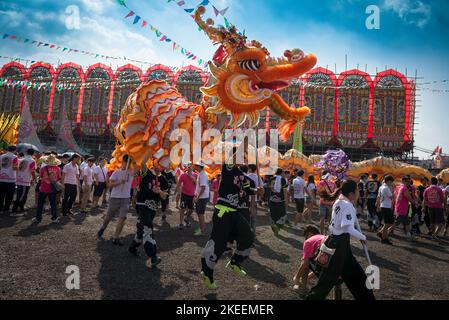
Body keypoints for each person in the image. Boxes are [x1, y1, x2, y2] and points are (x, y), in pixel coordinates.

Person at [306, 180, 375, 300]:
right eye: (358, 190)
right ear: (352, 193)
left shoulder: (339, 200)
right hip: (337, 247)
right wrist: (362, 237)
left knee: (357, 277)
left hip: (338, 243)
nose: (359, 193)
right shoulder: (347, 205)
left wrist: (359, 235)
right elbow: (347, 227)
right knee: (325, 283)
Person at [200, 149, 254, 290]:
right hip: (223, 212)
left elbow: (248, 189)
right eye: (244, 155)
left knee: (248, 235)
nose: (246, 158)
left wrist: (257, 190)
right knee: (219, 245)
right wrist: (245, 142)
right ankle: (207, 272)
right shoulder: (227, 168)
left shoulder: (242, 175)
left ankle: (235, 262)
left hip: (235, 212)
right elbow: (233, 160)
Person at [128, 160, 163, 268]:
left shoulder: (164, 178)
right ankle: (153, 256)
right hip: (142, 204)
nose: (160, 166)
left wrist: (160, 192)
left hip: (152, 208)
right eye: (159, 163)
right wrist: (151, 148)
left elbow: (165, 196)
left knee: (141, 231)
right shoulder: (147, 172)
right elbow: (142, 164)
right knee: (148, 228)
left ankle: (132, 247)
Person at [97, 155, 135, 246]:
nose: (128, 164)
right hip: (115, 197)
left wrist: (134, 158)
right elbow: (109, 185)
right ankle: (103, 227)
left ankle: (116, 237)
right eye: (127, 162)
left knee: (122, 218)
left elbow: (139, 165)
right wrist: (119, 182)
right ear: (123, 162)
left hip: (126, 198)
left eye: (129, 163)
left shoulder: (132, 172)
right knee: (108, 218)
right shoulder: (116, 172)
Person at [293, 225, 324, 294]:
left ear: (310, 234)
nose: (305, 238)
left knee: (306, 262)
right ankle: (305, 281)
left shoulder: (309, 241)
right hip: (337, 267)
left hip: (327, 265)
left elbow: (305, 263)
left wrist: (296, 278)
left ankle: (303, 288)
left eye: (305, 236)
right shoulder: (322, 237)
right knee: (316, 262)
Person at [32, 155, 62, 224]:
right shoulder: (58, 169)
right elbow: (58, 178)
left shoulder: (43, 169)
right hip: (53, 189)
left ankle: (38, 218)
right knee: (53, 204)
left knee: (40, 204)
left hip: (43, 188)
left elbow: (41, 177)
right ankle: (54, 218)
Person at [12, 148, 36, 216]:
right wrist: (34, 179)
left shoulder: (21, 159)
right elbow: (32, 171)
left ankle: (20, 208)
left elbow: (16, 168)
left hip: (20, 179)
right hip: (25, 180)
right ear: (33, 153)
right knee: (21, 196)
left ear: (26, 152)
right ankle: (15, 210)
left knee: (21, 195)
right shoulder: (32, 160)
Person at [393, 176, 415, 241]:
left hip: (401, 207)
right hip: (402, 207)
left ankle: (409, 235)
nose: (409, 183)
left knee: (407, 222)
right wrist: (414, 202)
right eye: (407, 181)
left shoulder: (398, 187)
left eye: (409, 181)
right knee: (396, 222)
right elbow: (408, 197)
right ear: (403, 181)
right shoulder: (404, 188)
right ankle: (385, 232)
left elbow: (395, 195)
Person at [269, 168, 289, 236]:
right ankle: (277, 227)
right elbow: (285, 191)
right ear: (281, 173)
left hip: (272, 199)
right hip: (280, 200)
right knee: (282, 215)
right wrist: (286, 201)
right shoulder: (283, 180)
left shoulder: (271, 179)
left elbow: (270, 189)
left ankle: (275, 229)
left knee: (273, 215)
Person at [176, 165, 197, 230]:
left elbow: (197, 184)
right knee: (182, 208)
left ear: (192, 169)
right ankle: (181, 223)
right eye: (188, 168)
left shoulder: (196, 175)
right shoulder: (183, 175)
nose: (189, 169)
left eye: (190, 168)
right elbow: (179, 184)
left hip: (192, 196)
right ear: (187, 169)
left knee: (191, 209)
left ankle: (187, 218)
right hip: (184, 195)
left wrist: (191, 177)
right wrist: (179, 192)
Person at [376, 175, 395, 245]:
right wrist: (393, 190)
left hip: (384, 206)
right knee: (388, 223)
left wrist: (378, 204)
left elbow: (379, 196)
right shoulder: (386, 188)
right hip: (386, 206)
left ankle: (382, 234)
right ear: (389, 181)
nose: (392, 183)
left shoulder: (381, 187)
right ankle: (384, 238)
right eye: (392, 182)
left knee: (388, 223)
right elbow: (392, 196)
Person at [0, 145, 19, 213]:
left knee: (1, 194)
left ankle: (0, 207)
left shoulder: (1, 156)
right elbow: (14, 167)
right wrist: (18, 169)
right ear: (14, 150)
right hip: (11, 178)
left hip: (1, 177)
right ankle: (6, 208)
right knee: (9, 195)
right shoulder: (15, 157)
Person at [193, 162, 210, 236]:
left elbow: (203, 187)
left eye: (196, 166)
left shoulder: (202, 174)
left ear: (199, 167)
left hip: (202, 197)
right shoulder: (201, 173)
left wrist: (198, 197)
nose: (195, 167)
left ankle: (202, 230)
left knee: (200, 214)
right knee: (199, 213)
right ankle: (201, 228)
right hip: (201, 196)